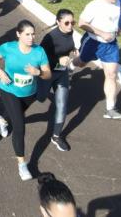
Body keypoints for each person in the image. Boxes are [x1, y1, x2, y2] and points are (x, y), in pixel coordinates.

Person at [0, 20, 51, 181]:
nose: (31, 38)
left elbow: (48, 74)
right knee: (19, 125)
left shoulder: (39, 52)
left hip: (29, 94)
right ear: (18, 34)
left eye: (33, 34)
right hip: (8, 89)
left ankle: (2, 119)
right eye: (27, 34)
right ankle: (22, 164)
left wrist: (38, 72)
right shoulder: (9, 48)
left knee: (13, 114)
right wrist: (0, 72)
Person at [71, 0, 121, 121]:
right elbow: (82, 23)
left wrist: (118, 27)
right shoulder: (94, 5)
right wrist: (101, 33)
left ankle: (110, 109)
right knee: (81, 63)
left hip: (111, 45)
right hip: (93, 43)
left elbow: (116, 17)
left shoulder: (117, 2)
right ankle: (68, 68)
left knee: (111, 75)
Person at [37, 9, 77, 152]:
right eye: (67, 23)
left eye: (73, 22)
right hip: (47, 73)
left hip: (61, 73)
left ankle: (56, 136)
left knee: (62, 105)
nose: (70, 26)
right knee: (39, 97)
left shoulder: (70, 32)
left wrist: (73, 49)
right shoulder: (50, 38)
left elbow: (66, 46)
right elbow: (39, 56)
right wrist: (58, 59)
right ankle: (6, 116)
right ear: (58, 22)